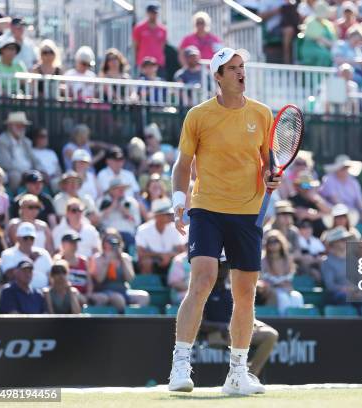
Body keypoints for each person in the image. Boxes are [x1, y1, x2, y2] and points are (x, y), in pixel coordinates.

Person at [168, 47, 281, 395]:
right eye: (231, 68)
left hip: (248, 212)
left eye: (242, 66)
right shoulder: (198, 115)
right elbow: (183, 164)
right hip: (207, 208)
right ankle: (180, 364)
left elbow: (268, 162)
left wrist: (272, 176)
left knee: (245, 293)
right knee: (202, 279)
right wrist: (178, 201)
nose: (239, 72)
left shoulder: (263, 114)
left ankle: (237, 373)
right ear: (217, 77)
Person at [201, 257, 278, 377]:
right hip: (215, 333)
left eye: (226, 266)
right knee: (235, 335)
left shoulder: (231, 290)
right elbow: (200, 324)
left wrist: (255, 323)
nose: (223, 270)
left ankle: (251, 374)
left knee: (271, 335)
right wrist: (222, 326)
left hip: (235, 329)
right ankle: (238, 373)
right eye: (220, 266)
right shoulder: (203, 290)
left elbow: (241, 312)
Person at [92, 229, 149, 312]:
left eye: (115, 241)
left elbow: (130, 279)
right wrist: (107, 262)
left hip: (123, 290)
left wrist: (122, 260)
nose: (112, 244)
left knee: (144, 297)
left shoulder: (125, 258)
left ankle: (134, 319)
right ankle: (123, 323)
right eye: (109, 241)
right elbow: (99, 280)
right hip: (105, 291)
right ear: (103, 243)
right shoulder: (98, 258)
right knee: (119, 299)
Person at [0, 112, 44, 191]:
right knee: (15, 175)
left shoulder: (27, 141)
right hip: (12, 172)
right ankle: (15, 199)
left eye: (23, 126)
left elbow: (35, 160)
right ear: (9, 126)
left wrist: (41, 170)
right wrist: (24, 172)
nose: (21, 128)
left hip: (28, 172)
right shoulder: (1, 141)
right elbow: (5, 164)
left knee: (40, 175)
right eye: (18, 125)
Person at [136, 198, 185, 276]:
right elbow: (140, 253)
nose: (170, 216)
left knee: (180, 261)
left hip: (171, 259)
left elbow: (182, 251)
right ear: (157, 216)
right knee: (146, 262)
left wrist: (169, 255)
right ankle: (148, 286)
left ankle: (176, 285)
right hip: (153, 259)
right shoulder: (143, 229)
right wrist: (160, 255)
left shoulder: (174, 228)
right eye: (167, 214)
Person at [260, 230, 304, 314]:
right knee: (283, 298)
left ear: (281, 242)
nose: (273, 244)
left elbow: (289, 278)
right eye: (270, 242)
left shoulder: (288, 260)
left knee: (297, 297)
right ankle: (284, 323)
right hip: (272, 291)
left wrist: (286, 286)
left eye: (276, 241)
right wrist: (277, 284)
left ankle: (297, 323)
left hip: (287, 288)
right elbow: (262, 280)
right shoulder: (263, 261)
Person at [54, 231, 102, 307]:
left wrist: (88, 295)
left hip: (82, 296)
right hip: (64, 295)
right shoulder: (58, 260)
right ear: (63, 244)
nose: (74, 245)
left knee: (101, 299)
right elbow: (55, 283)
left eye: (75, 242)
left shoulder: (84, 261)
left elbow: (89, 282)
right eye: (71, 242)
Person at [1, 222, 52, 290]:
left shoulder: (43, 253)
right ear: (18, 238)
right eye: (25, 238)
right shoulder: (8, 254)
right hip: (20, 294)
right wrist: (30, 260)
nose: (29, 241)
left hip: (44, 294)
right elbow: (9, 276)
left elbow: (51, 276)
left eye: (31, 238)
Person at [97, 178, 141, 248]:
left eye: (122, 188)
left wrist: (125, 212)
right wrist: (111, 207)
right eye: (117, 188)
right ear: (111, 191)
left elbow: (137, 222)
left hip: (128, 235)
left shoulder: (131, 202)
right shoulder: (102, 202)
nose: (121, 191)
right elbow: (97, 221)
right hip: (109, 235)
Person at [289, 171, 330, 238]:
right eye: (305, 185)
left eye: (310, 185)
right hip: (302, 236)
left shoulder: (315, 198)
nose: (308, 188)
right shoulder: (293, 199)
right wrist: (323, 214)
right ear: (298, 187)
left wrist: (314, 199)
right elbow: (303, 214)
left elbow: (329, 211)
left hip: (320, 235)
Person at [321, 226, 354, 305]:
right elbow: (330, 285)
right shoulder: (327, 262)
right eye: (342, 240)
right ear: (334, 243)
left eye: (346, 239)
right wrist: (345, 289)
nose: (346, 242)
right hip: (337, 295)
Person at [299, 1, 337, 67]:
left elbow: (333, 38)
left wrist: (334, 46)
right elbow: (318, 38)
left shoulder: (327, 23)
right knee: (325, 55)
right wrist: (333, 46)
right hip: (311, 49)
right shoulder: (310, 21)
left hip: (327, 48)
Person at [132, 4, 167, 74]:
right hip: (143, 63)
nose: (154, 15)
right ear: (147, 13)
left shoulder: (163, 29)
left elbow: (162, 46)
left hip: (158, 63)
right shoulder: (139, 28)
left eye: (155, 13)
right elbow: (135, 46)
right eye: (152, 13)